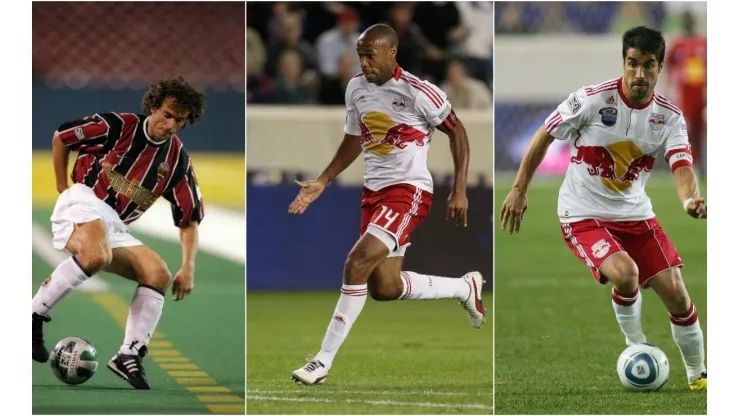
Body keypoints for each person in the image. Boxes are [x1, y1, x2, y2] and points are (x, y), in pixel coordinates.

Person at [499, 26, 707, 391]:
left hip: (635, 213)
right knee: (625, 273)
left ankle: (698, 375)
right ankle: (636, 344)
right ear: (623, 62)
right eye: (632, 64)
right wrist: (519, 188)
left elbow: (682, 165)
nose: (639, 74)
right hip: (582, 214)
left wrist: (690, 199)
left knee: (677, 293)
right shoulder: (593, 100)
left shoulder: (669, 117)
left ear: (660, 69)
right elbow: (546, 133)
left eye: (648, 66)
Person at [288, 23, 486, 385]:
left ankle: (322, 361)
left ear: (391, 52)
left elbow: (457, 132)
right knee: (385, 288)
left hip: (408, 192)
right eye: (360, 55)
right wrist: (323, 180)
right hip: (373, 194)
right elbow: (353, 140)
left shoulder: (419, 92)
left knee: (356, 263)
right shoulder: (356, 89)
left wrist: (460, 189)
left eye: (369, 55)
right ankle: (464, 287)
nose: (363, 62)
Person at [31, 76, 206, 390]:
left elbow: (188, 218)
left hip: (115, 224)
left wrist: (188, 267)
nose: (172, 125)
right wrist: (62, 187)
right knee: (96, 255)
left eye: (180, 121)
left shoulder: (177, 160)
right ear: (153, 106)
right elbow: (63, 137)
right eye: (168, 115)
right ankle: (33, 316)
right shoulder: (119, 125)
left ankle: (129, 354)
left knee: (157, 273)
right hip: (85, 199)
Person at [666, 11, 707, 174]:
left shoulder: (703, 43)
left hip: (701, 95)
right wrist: (668, 89)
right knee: (686, 130)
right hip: (685, 95)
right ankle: (687, 163)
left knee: (701, 130)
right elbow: (668, 67)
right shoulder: (677, 44)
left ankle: (701, 163)